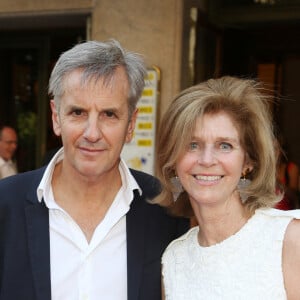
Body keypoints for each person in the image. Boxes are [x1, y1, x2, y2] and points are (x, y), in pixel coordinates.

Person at [0, 40, 189, 300]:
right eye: (78, 112)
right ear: (56, 117)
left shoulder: (164, 207)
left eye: (109, 115)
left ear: (131, 124)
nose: (92, 133)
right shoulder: (5, 205)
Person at [154, 76, 300, 299]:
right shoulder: (174, 259)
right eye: (192, 145)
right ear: (173, 160)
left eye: (225, 146)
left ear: (248, 161)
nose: (207, 159)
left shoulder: (289, 239)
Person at [274, 133, 299, 210]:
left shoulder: (291, 168)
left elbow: (294, 197)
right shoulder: (259, 169)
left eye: (275, 149)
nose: (272, 153)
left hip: (287, 212)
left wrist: (277, 184)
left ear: (282, 151)